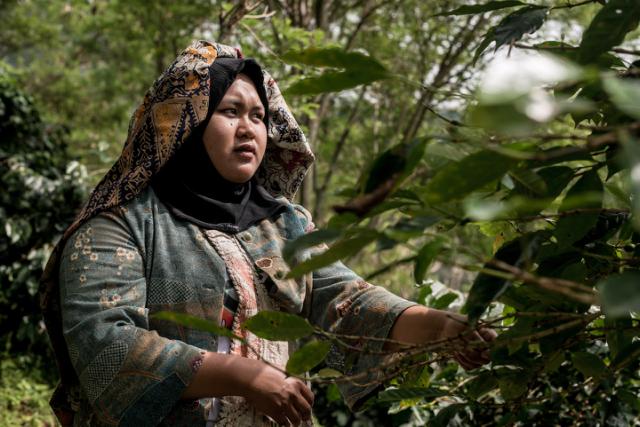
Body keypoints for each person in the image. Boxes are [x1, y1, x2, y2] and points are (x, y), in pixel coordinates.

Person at [40, 40, 496, 427]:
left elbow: (346, 301)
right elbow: (106, 345)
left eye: (258, 116)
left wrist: (437, 325)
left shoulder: (283, 223)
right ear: (188, 121)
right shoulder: (117, 225)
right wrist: (242, 376)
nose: (249, 130)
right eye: (230, 111)